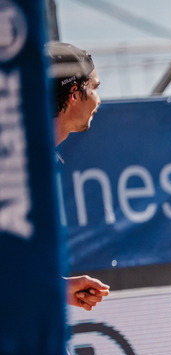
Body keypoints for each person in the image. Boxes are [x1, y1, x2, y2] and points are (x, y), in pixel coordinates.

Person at [48, 41, 109, 311]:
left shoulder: (34, 158)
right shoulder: (21, 165)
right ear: (74, 94)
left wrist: (57, 289)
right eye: (94, 88)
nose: (99, 100)